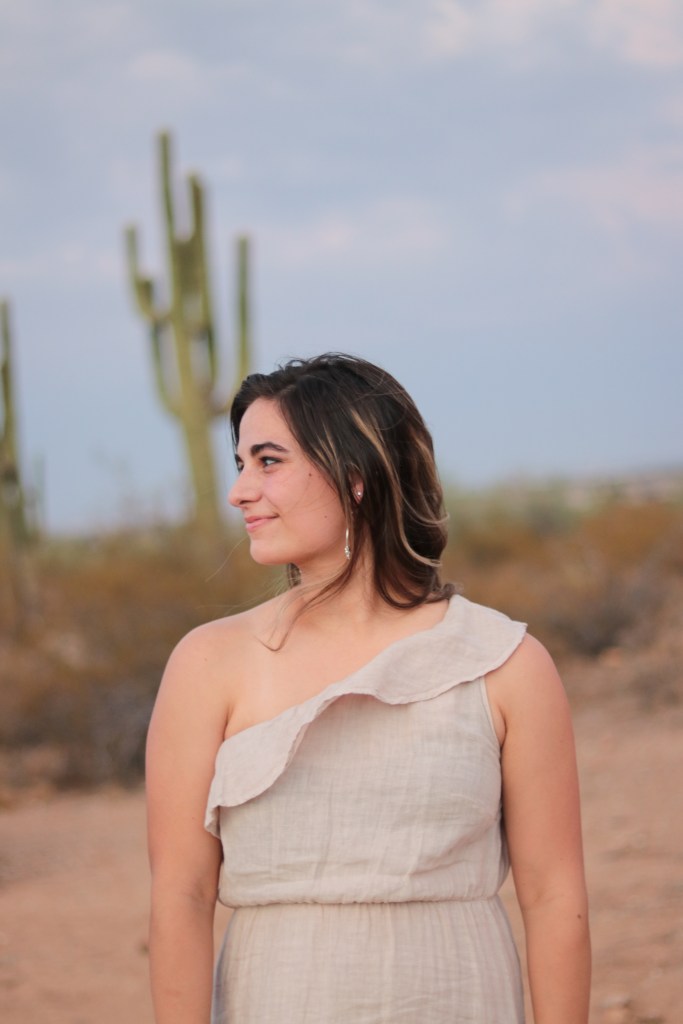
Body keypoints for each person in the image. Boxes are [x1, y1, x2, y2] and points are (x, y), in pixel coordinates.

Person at [146, 353, 591, 1024]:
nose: (238, 491)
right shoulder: (208, 664)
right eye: (240, 464)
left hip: (460, 998)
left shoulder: (504, 663)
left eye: (268, 462)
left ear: (355, 476)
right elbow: (181, 894)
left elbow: (554, 896)